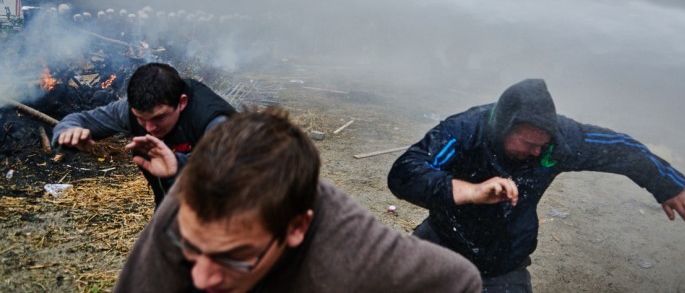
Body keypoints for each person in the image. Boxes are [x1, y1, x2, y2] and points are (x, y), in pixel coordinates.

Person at [113, 107, 483, 293]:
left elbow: (460, 281)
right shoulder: (185, 210)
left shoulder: (348, 253)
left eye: (233, 256)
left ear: (297, 227)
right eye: (191, 248)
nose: (201, 277)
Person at [387, 78, 685, 293]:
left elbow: (621, 150)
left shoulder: (557, 142)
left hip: (504, 260)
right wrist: (470, 191)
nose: (537, 152)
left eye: (543, 144)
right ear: (503, 127)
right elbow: (405, 172)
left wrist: (669, 186)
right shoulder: (466, 130)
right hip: (441, 241)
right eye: (528, 143)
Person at [52, 62, 234, 206]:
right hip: (168, 205)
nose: (149, 128)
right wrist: (68, 133)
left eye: (159, 118)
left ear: (182, 103)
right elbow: (80, 120)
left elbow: (227, 173)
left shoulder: (216, 123)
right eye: (141, 119)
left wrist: (177, 165)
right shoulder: (129, 109)